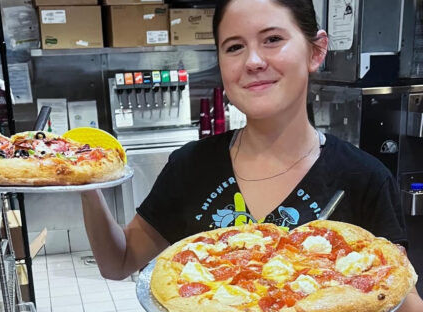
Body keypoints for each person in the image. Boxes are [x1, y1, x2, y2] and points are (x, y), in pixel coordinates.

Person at [81, 0, 423, 310]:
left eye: (272, 39)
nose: (254, 61)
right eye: (234, 47)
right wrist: (82, 177)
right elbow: (118, 262)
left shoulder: (364, 177)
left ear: (316, 51)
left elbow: (399, 297)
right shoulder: (191, 166)